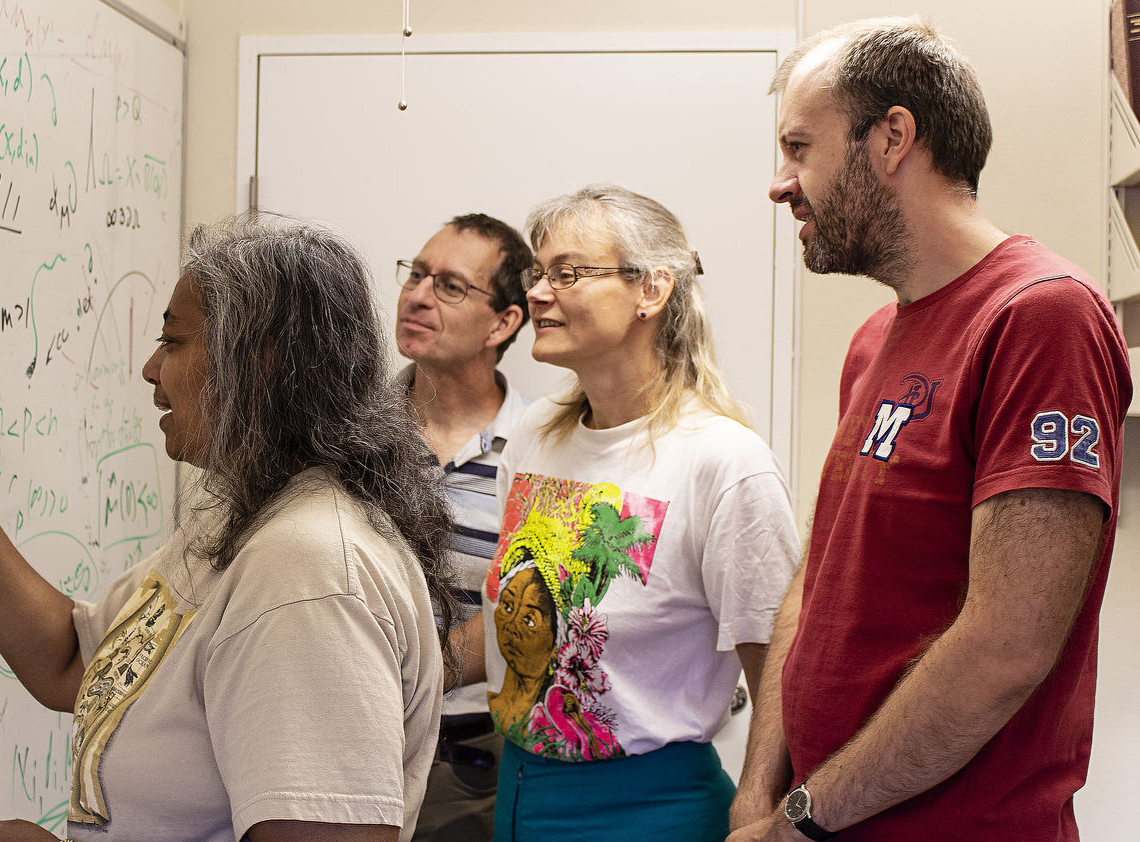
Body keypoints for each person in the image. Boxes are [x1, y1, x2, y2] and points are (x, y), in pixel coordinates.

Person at [0, 214, 459, 842]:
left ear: (260, 362)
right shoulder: (249, 518)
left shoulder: (307, 572)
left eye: (173, 341)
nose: (150, 368)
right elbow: (71, 662)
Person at [728, 18, 1132, 842]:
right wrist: (759, 790)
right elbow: (818, 578)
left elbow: (1007, 646)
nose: (780, 184)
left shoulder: (1041, 315)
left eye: (800, 148)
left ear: (892, 138)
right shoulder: (873, 341)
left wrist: (798, 821)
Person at [457, 184, 800, 840]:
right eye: (538, 273)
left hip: (653, 813)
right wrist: (421, 667)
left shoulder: (724, 462)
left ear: (652, 289)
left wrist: (765, 812)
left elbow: (782, 676)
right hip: (520, 796)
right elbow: (522, 616)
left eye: (567, 273)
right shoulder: (533, 436)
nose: (538, 293)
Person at [393, 214, 532, 841]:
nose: (419, 296)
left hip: (471, 767)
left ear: (502, 323)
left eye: (450, 286)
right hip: (340, 743)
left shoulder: (540, 452)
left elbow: (530, 614)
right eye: (416, 275)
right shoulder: (349, 435)